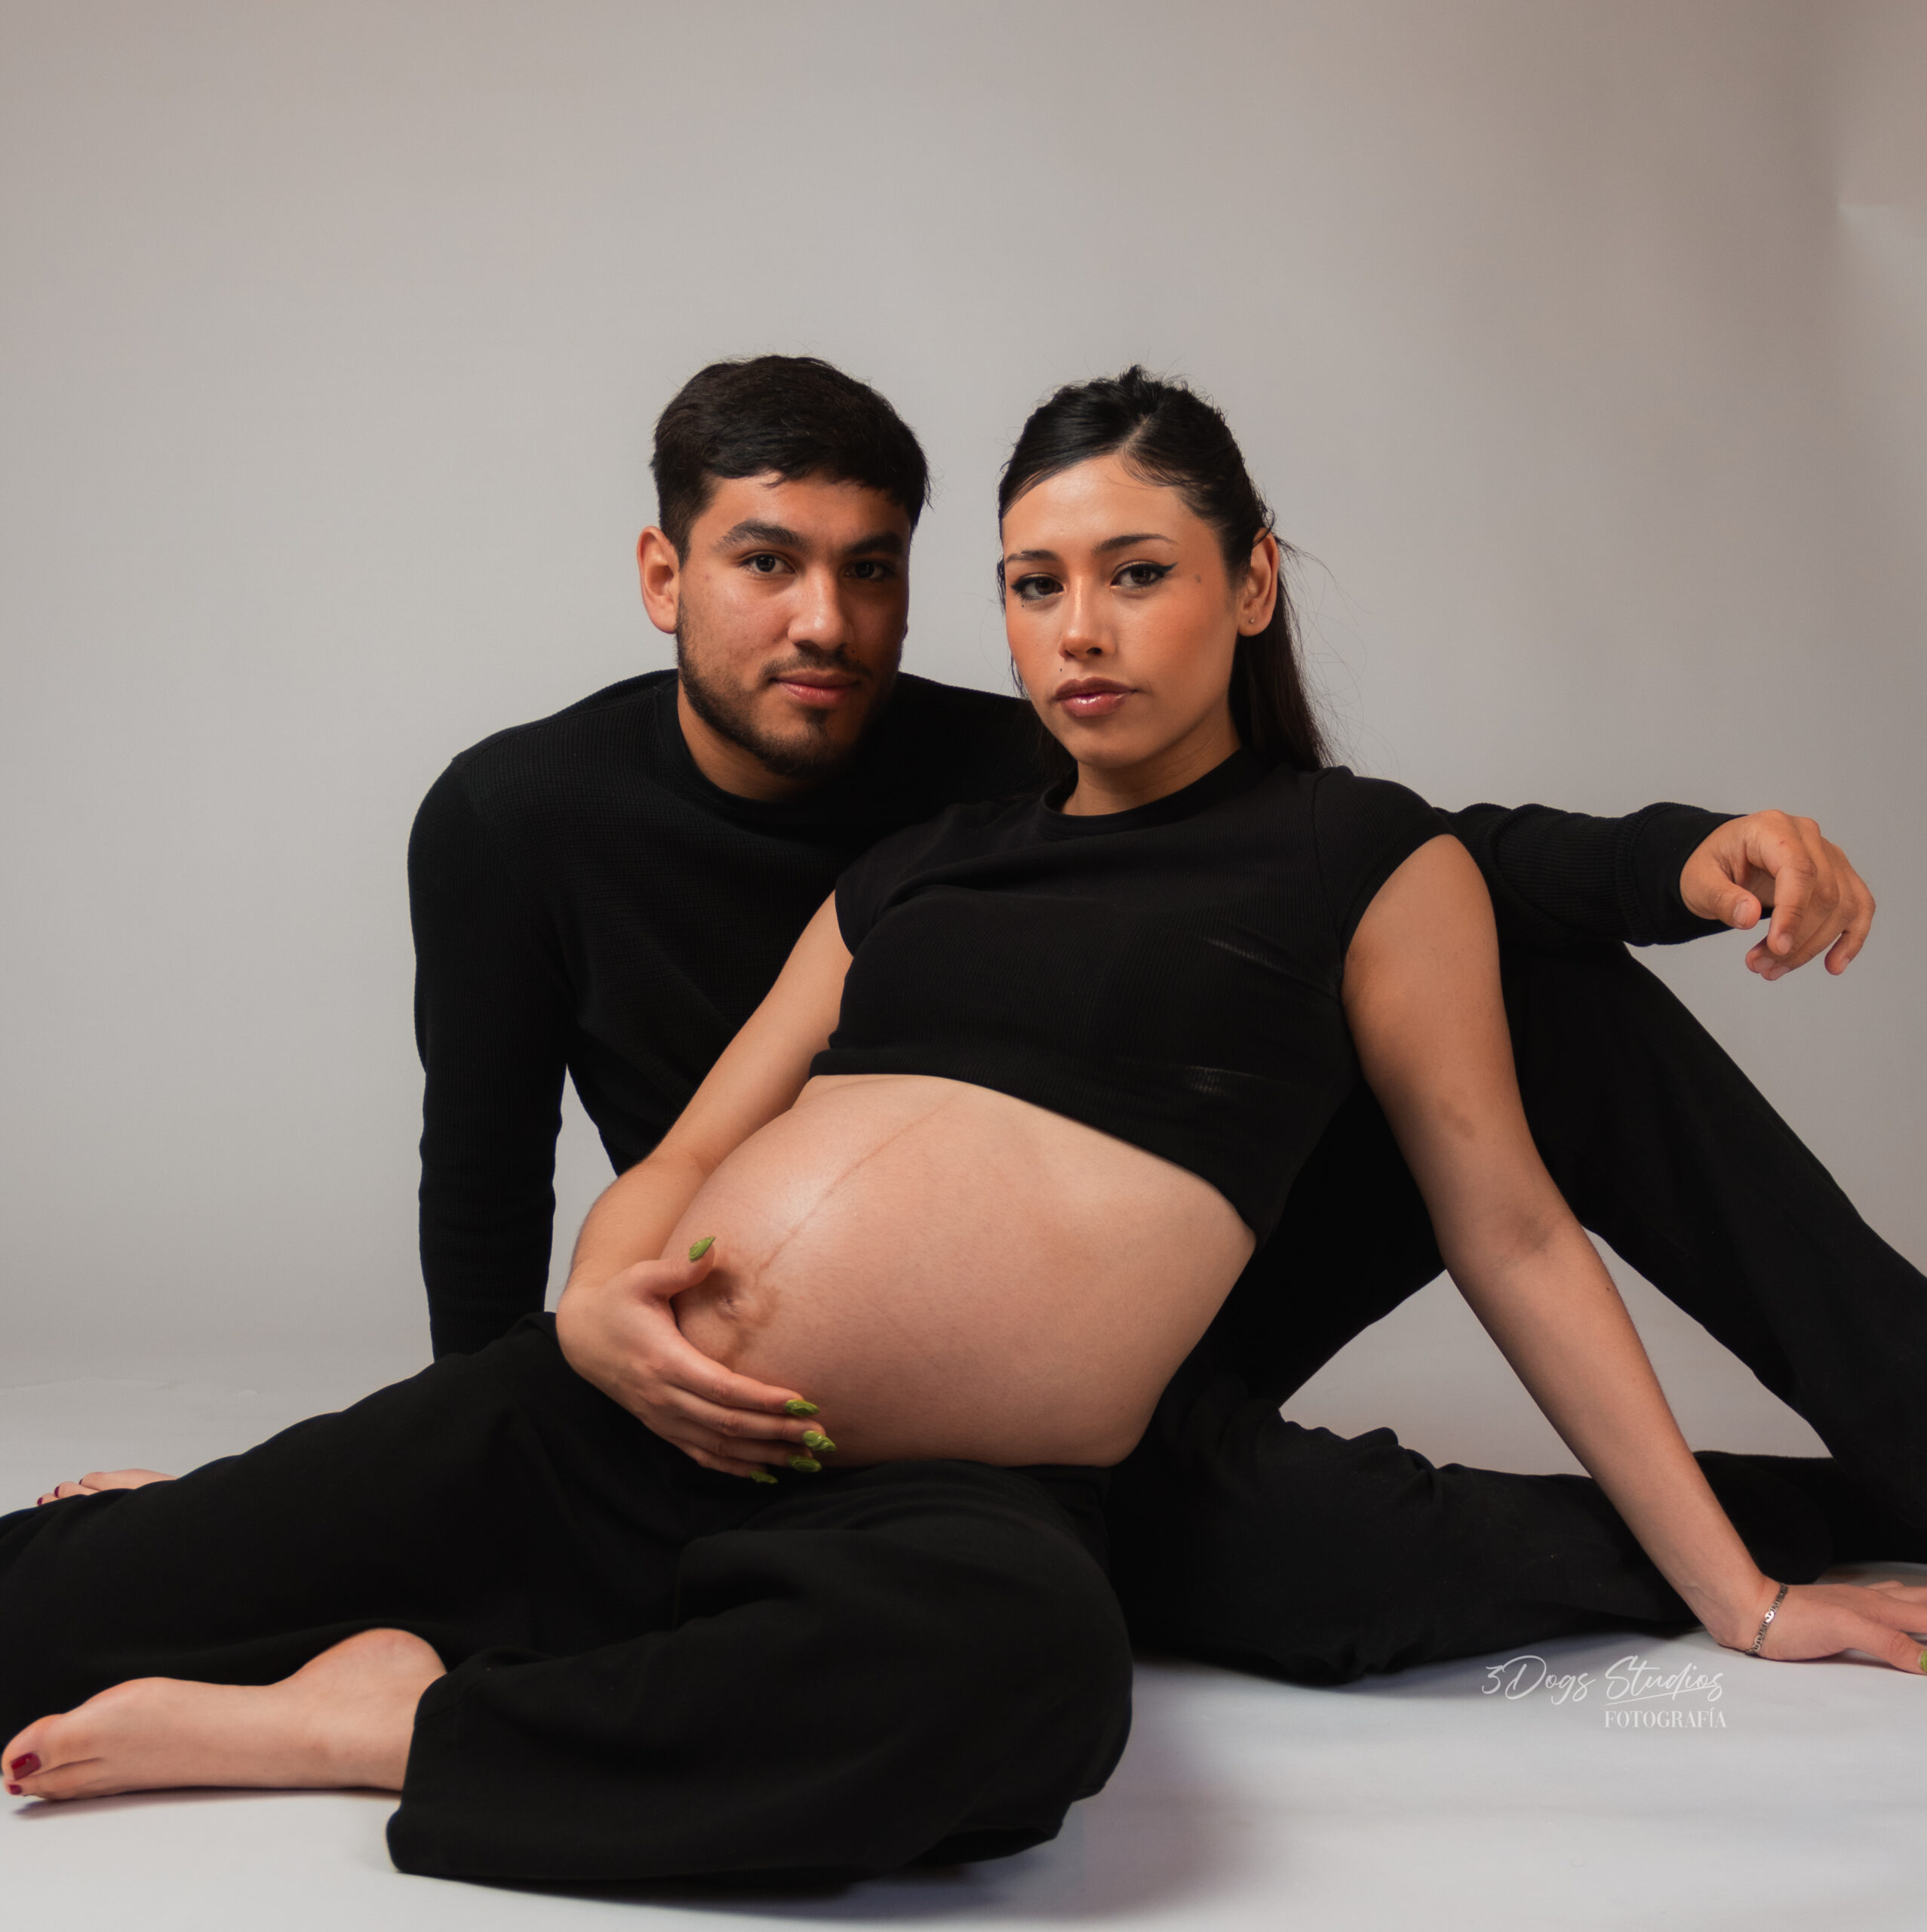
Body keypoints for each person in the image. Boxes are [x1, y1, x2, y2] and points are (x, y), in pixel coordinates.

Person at [5, 369, 1923, 1890]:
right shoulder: (913, 853)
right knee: (55, 1603)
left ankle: (400, 1722)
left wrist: (1740, 1600)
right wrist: (593, 1308)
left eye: (1135, 572)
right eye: (1035, 583)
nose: (1077, 629)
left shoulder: (1358, 855)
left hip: (960, 1477)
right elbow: (669, 1153)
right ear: (667, 574)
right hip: (622, 1410)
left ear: (1250, 582)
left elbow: (1509, 1229)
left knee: (1021, 1694)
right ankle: (367, 1601)